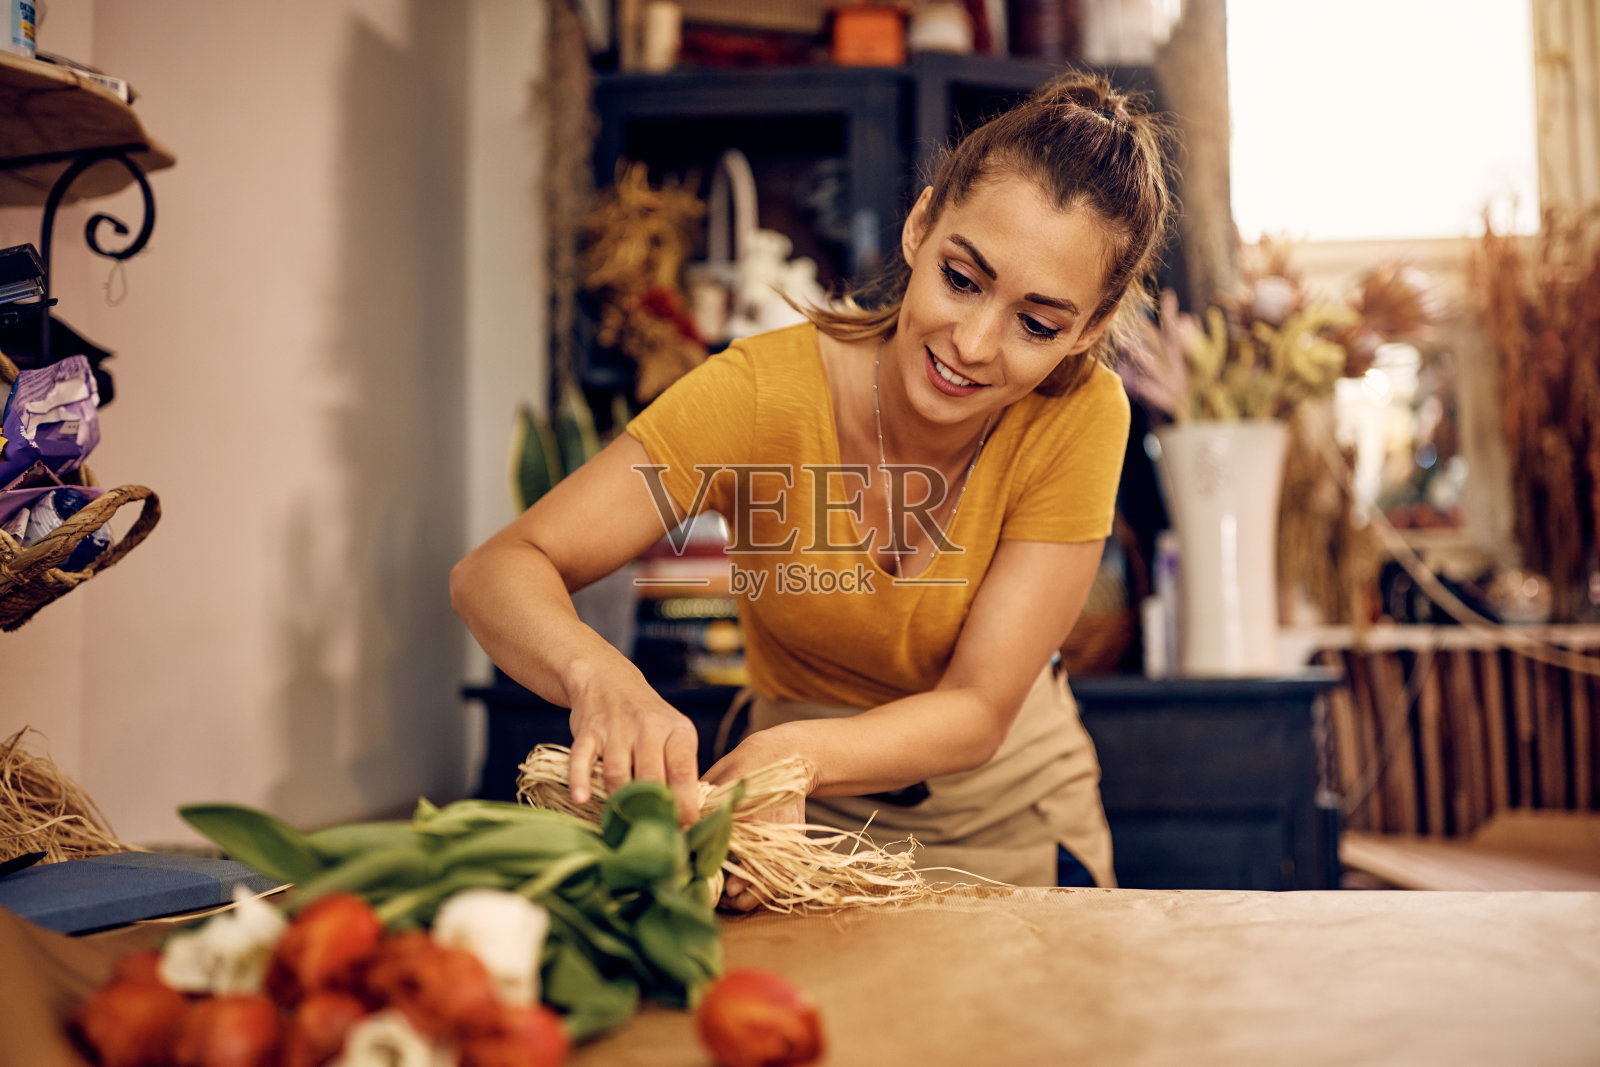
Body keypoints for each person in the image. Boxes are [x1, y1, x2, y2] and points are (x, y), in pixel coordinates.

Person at [451, 70, 1173, 907]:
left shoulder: (1081, 414)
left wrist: (800, 754)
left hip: (1009, 827)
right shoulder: (761, 391)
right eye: (962, 278)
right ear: (919, 225)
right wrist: (602, 679)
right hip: (789, 829)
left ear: (1086, 329)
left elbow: (977, 707)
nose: (974, 342)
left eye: (1038, 324)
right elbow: (498, 569)